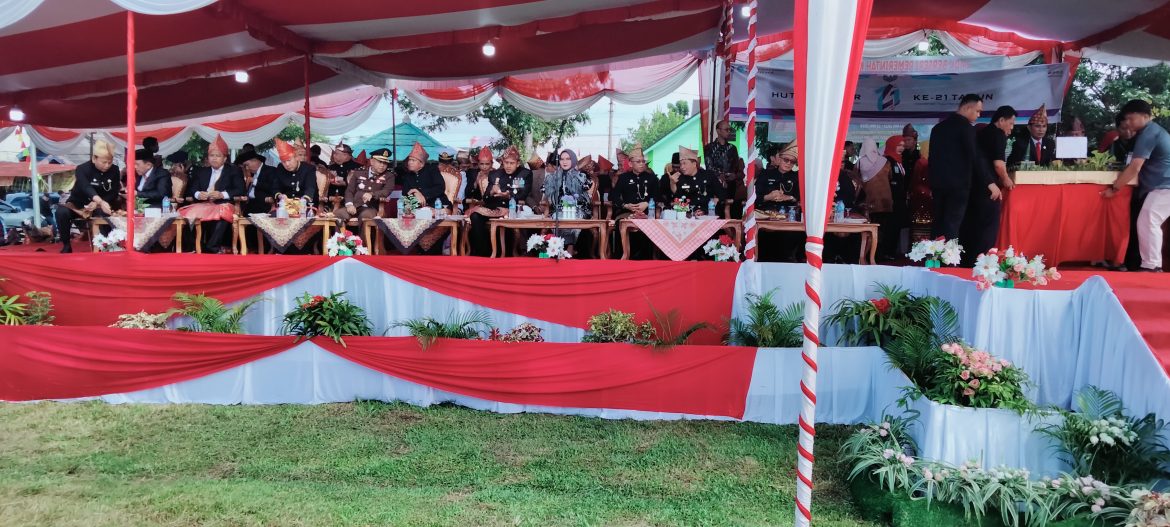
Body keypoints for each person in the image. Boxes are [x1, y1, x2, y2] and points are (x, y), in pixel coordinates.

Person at [1103, 99, 1170, 272]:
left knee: (1149, 220)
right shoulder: (1150, 132)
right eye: (1126, 119)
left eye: (1131, 118)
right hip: (1161, 185)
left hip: (1165, 185)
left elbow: (1134, 167)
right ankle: (1152, 264)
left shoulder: (1150, 133)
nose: (1128, 123)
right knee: (1147, 221)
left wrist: (1114, 189)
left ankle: (1152, 265)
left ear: (1145, 116)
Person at [961, 105, 1015, 264]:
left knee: (972, 226)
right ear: (1001, 120)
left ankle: (968, 261)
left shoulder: (981, 133)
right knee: (988, 229)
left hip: (974, 186)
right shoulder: (998, 135)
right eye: (1011, 123)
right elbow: (998, 165)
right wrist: (1006, 179)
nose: (1012, 128)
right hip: (989, 189)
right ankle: (982, 263)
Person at [928, 94, 984, 240]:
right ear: (967, 108)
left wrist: (932, 183)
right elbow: (975, 156)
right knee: (952, 224)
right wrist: (989, 182)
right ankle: (950, 255)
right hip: (959, 185)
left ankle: (933, 254)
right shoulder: (966, 128)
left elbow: (932, 159)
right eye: (977, 111)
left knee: (938, 223)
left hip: (938, 184)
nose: (979, 115)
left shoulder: (938, 128)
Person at [179, 135, 244, 254]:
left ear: (224, 158)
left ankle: (212, 247)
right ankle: (195, 246)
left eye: (218, 156)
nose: (214, 158)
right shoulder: (202, 171)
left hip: (224, 203)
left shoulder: (233, 171)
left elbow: (240, 189)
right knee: (183, 214)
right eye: (211, 156)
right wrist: (198, 194)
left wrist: (222, 194)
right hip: (204, 204)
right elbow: (193, 189)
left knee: (223, 212)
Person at [56, 140, 121, 253]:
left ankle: (105, 245)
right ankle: (66, 244)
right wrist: (99, 201)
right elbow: (86, 187)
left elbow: (114, 191)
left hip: (100, 206)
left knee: (105, 215)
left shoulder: (114, 170)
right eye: (104, 162)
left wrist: (98, 203)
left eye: (109, 162)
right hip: (78, 204)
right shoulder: (82, 169)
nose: (107, 166)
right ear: (94, 158)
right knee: (61, 212)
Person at [865, 136, 909, 260]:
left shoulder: (899, 161)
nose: (901, 148)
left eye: (903, 145)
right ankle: (885, 252)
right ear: (891, 145)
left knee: (896, 226)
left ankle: (891, 252)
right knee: (889, 226)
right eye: (898, 145)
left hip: (899, 200)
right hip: (890, 200)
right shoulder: (886, 161)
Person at [543, 149, 593, 253]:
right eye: (562, 159)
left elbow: (587, 187)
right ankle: (560, 247)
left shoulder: (580, 176)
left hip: (579, 208)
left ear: (573, 160)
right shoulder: (553, 177)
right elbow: (544, 189)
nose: (564, 162)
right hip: (559, 209)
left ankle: (570, 247)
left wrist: (575, 176)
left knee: (573, 217)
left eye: (568, 159)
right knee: (558, 217)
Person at [335, 148, 393, 223]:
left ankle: (363, 232)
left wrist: (372, 194)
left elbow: (387, 191)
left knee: (365, 216)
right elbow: (349, 191)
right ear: (372, 161)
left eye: (385, 163)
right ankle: (341, 231)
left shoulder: (389, 176)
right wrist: (349, 204)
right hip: (354, 205)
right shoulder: (359, 172)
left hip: (371, 207)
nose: (382, 165)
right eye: (380, 162)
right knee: (339, 214)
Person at [613, 143, 658, 220]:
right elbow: (614, 196)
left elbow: (657, 195)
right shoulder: (623, 177)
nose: (642, 164)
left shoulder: (652, 177)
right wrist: (625, 205)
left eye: (643, 161)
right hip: (627, 212)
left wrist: (647, 203)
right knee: (622, 222)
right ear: (630, 164)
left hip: (647, 212)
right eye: (638, 162)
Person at [755, 140, 800, 216]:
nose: (788, 163)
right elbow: (754, 196)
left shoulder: (796, 177)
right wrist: (768, 197)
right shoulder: (765, 174)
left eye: (792, 161)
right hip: (766, 213)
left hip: (789, 214)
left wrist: (789, 197)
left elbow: (801, 198)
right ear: (780, 159)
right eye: (786, 160)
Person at [680, 146, 726, 217]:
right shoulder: (681, 178)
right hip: (689, 216)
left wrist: (717, 199)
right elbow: (679, 201)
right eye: (680, 164)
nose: (682, 167)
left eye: (684, 163)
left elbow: (722, 194)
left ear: (694, 164)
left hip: (708, 213)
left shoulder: (708, 175)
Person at [399, 142, 446, 209]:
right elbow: (405, 193)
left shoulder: (432, 170)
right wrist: (415, 193)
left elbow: (440, 187)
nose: (409, 162)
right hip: (416, 207)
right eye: (409, 160)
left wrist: (421, 194)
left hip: (436, 204)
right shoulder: (408, 176)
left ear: (421, 164)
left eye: (413, 160)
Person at [272, 138, 318, 204]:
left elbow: (310, 188)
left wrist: (302, 202)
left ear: (296, 157)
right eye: (283, 162)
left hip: (305, 205)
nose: (287, 164)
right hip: (285, 205)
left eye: (289, 160)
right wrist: (280, 196)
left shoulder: (309, 169)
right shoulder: (280, 167)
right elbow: (275, 187)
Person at [704, 119, 740, 198]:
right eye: (726, 130)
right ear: (718, 131)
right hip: (714, 184)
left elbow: (736, 166)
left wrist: (734, 175)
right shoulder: (709, 147)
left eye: (730, 130)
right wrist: (720, 175)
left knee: (730, 203)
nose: (729, 132)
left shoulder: (733, 148)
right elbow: (709, 167)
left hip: (730, 185)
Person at [240, 151, 275, 215]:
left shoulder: (270, 170)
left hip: (263, 206)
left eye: (247, 165)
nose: (247, 168)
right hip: (249, 205)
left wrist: (255, 181)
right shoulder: (251, 174)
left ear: (255, 161)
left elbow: (272, 187)